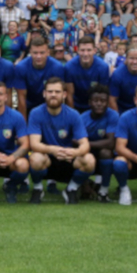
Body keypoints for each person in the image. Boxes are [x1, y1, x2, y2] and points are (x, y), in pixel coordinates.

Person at [26, 77, 94, 205]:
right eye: (50, 91)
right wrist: (53, 150)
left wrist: (74, 152)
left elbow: (85, 144)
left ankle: (71, 189)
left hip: (67, 158)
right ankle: (38, 188)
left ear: (64, 95)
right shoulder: (35, 113)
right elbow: (34, 144)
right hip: (47, 159)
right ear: (44, 94)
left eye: (57, 92)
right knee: (35, 158)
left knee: (89, 160)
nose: (53, 95)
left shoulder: (73, 114)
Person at [81, 83, 120, 202]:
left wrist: (86, 144)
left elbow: (110, 143)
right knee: (80, 153)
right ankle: (84, 184)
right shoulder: (82, 118)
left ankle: (104, 190)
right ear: (89, 102)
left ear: (108, 103)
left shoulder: (113, 115)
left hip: (103, 157)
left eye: (103, 101)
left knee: (106, 152)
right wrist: (84, 146)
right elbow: (75, 142)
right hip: (86, 156)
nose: (99, 103)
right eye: (95, 100)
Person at [11, 36, 65, 118]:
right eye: (35, 53)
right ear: (30, 52)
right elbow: (21, 99)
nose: (38, 56)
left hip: (49, 105)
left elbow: (59, 96)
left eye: (42, 53)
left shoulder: (57, 67)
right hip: (29, 105)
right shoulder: (21, 67)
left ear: (48, 52)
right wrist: (24, 126)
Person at [64, 36, 111, 113]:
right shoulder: (69, 67)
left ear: (94, 51)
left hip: (95, 106)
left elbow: (103, 94)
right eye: (82, 50)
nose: (85, 54)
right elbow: (69, 95)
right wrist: (73, 116)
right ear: (77, 50)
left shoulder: (103, 67)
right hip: (76, 105)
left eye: (89, 50)